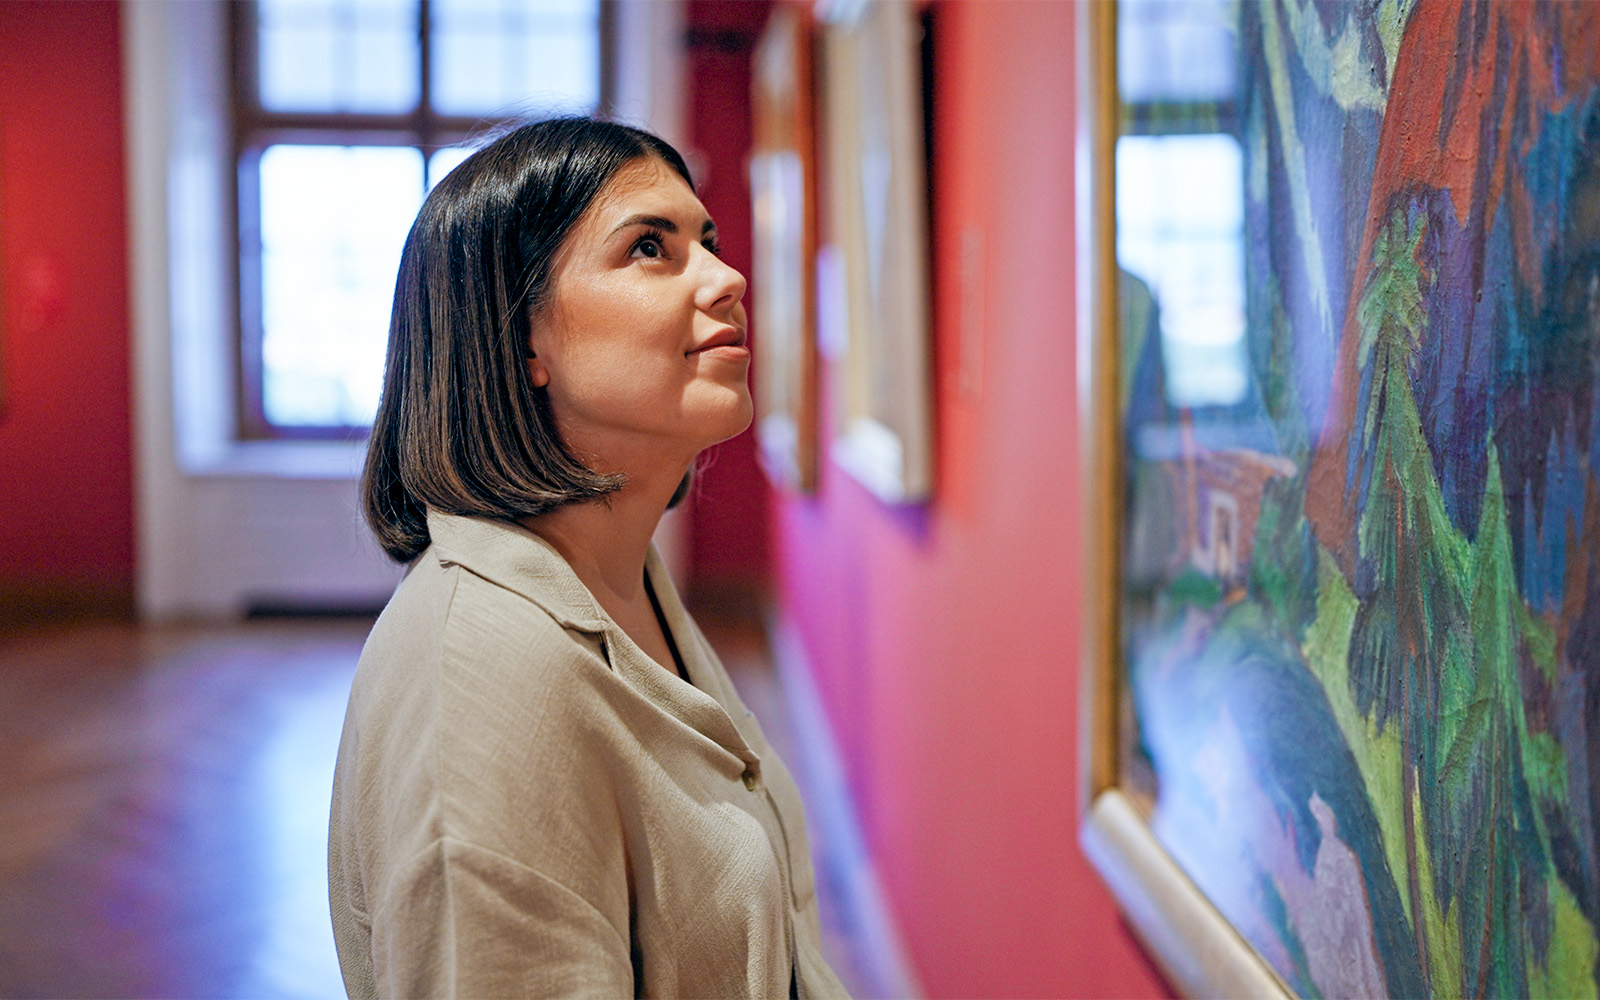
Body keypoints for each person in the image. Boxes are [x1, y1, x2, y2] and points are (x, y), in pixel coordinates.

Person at [328, 117, 848, 999]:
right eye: (652, 247)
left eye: (707, 241)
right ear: (523, 336)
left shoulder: (623, 578)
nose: (728, 280)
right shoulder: (486, 684)